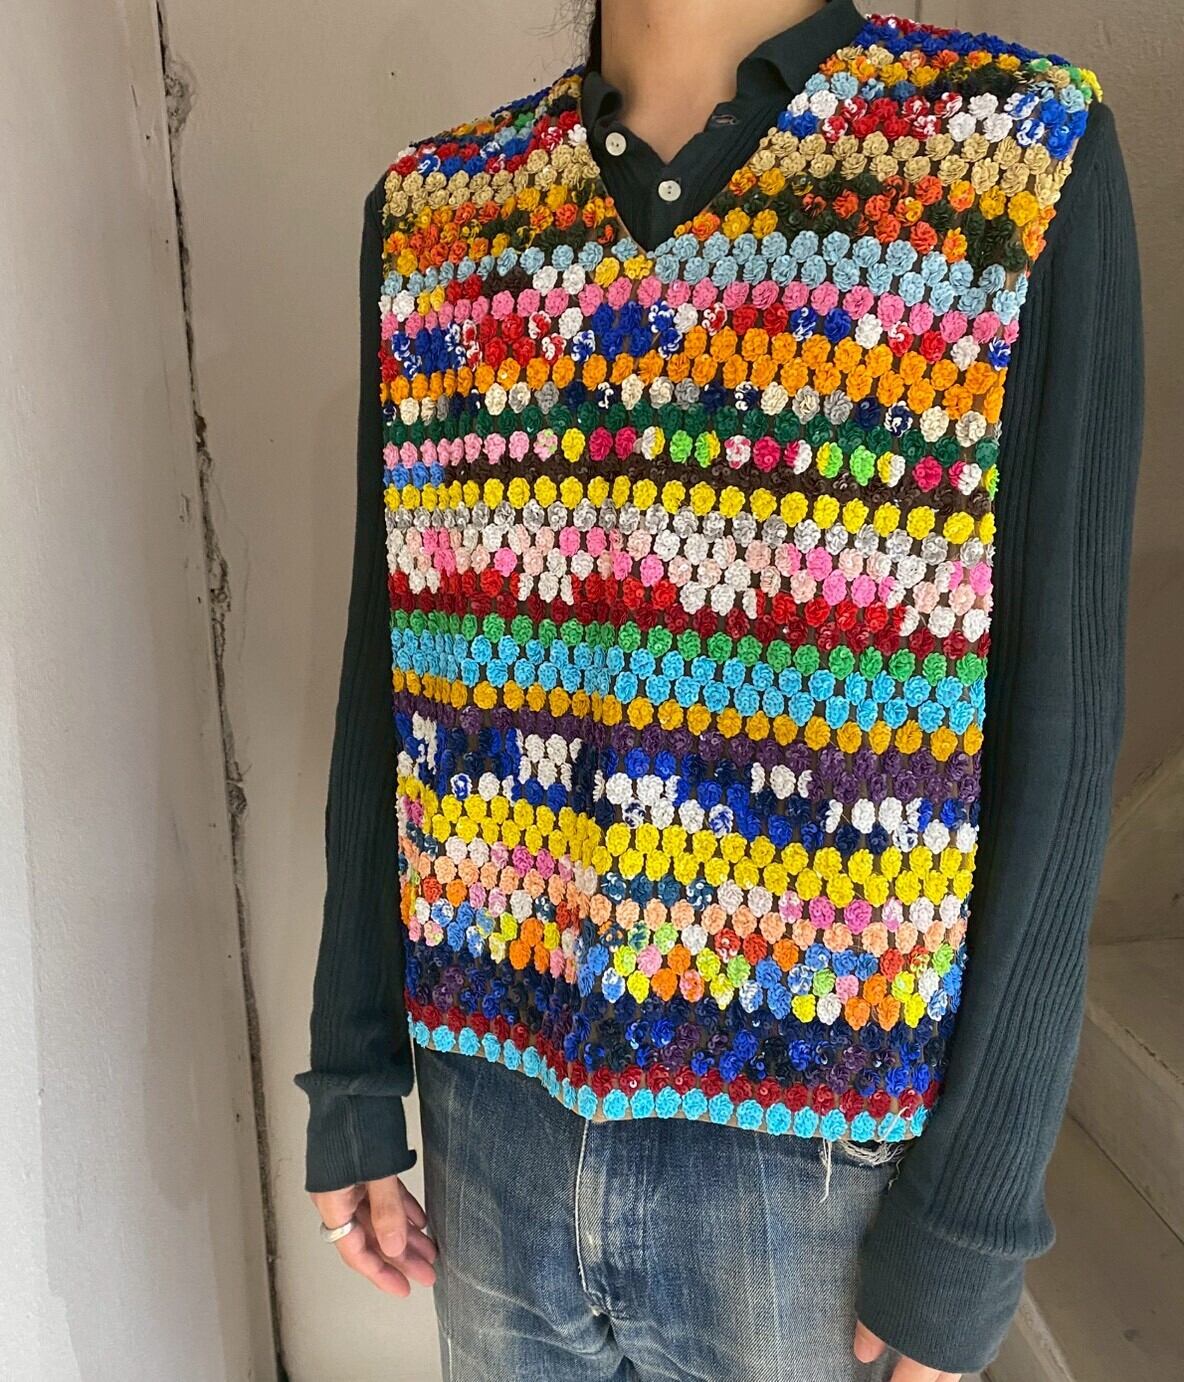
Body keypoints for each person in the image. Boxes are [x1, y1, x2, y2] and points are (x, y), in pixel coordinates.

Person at [295, 2, 1144, 1378]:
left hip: (820, 1166)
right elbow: (387, 662)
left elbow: (1062, 725)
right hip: (487, 1098)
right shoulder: (431, 215)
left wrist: (975, 1211)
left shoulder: (1012, 158)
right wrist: (351, 1065)